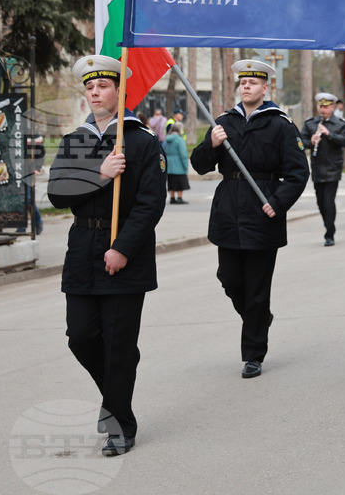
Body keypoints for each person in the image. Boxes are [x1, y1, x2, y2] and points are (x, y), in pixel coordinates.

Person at [47, 55, 167, 457]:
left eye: (102, 87)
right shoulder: (74, 140)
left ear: (120, 91)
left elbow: (151, 205)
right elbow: (57, 194)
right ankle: (116, 399)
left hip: (124, 252)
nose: (94, 93)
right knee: (80, 336)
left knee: (118, 343)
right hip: (82, 249)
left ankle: (120, 423)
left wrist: (122, 249)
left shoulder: (141, 141)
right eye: (89, 87)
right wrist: (100, 175)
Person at [190, 58, 309, 378]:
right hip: (229, 209)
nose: (246, 86)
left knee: (257, 288)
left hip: (262, 210)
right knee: (228, 278)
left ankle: (253, 353)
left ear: (265, 87)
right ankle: (259, 318)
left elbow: (298, 173)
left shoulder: (280, 124)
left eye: (253, 82)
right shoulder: (223, 122)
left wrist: (278, 202)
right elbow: (199, 165)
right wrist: (211, 144)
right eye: (242, 82)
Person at [300, 92, 345, 246]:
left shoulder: (341, 124)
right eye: (321, 107)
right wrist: (310, 141)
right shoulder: (310, 124)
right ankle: (328, 225)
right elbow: (299, 142)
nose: (323, 110)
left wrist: (329, 134)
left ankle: (330, 233)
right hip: (317, 169)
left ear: (333, 107)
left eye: (326, 107)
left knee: (328, 201)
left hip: (333, 169)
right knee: (321, 203)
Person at [163, 122, 190, 204]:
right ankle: (179, 197)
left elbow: (164, 151)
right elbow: (183, 154)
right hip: (178, 164)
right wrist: (186, 165)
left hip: (169, 165)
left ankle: (172, 197)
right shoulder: (179, 139)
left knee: (171, 182)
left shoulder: (167, 139)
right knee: (180, 181)